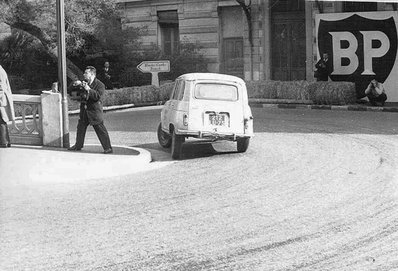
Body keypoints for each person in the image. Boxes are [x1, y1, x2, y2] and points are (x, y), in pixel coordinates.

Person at [68, 66, 113, 154]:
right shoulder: (83, 82)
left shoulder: (100, 85)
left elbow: (97, 96)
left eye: (86, 73)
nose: (84, 75)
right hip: (84, 111)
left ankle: (108, 148)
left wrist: (88, 89)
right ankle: (78, 145)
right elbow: (72, 92)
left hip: (94, 111)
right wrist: (74, 84)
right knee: (80, 128)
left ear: (92, 74)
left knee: (100, 128)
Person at [0, 65, 15, 148]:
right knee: (2, 120)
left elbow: (1, 87)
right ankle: (5, 142)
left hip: (1, 99)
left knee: (2, 120)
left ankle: (4, 142)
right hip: (2, 99)